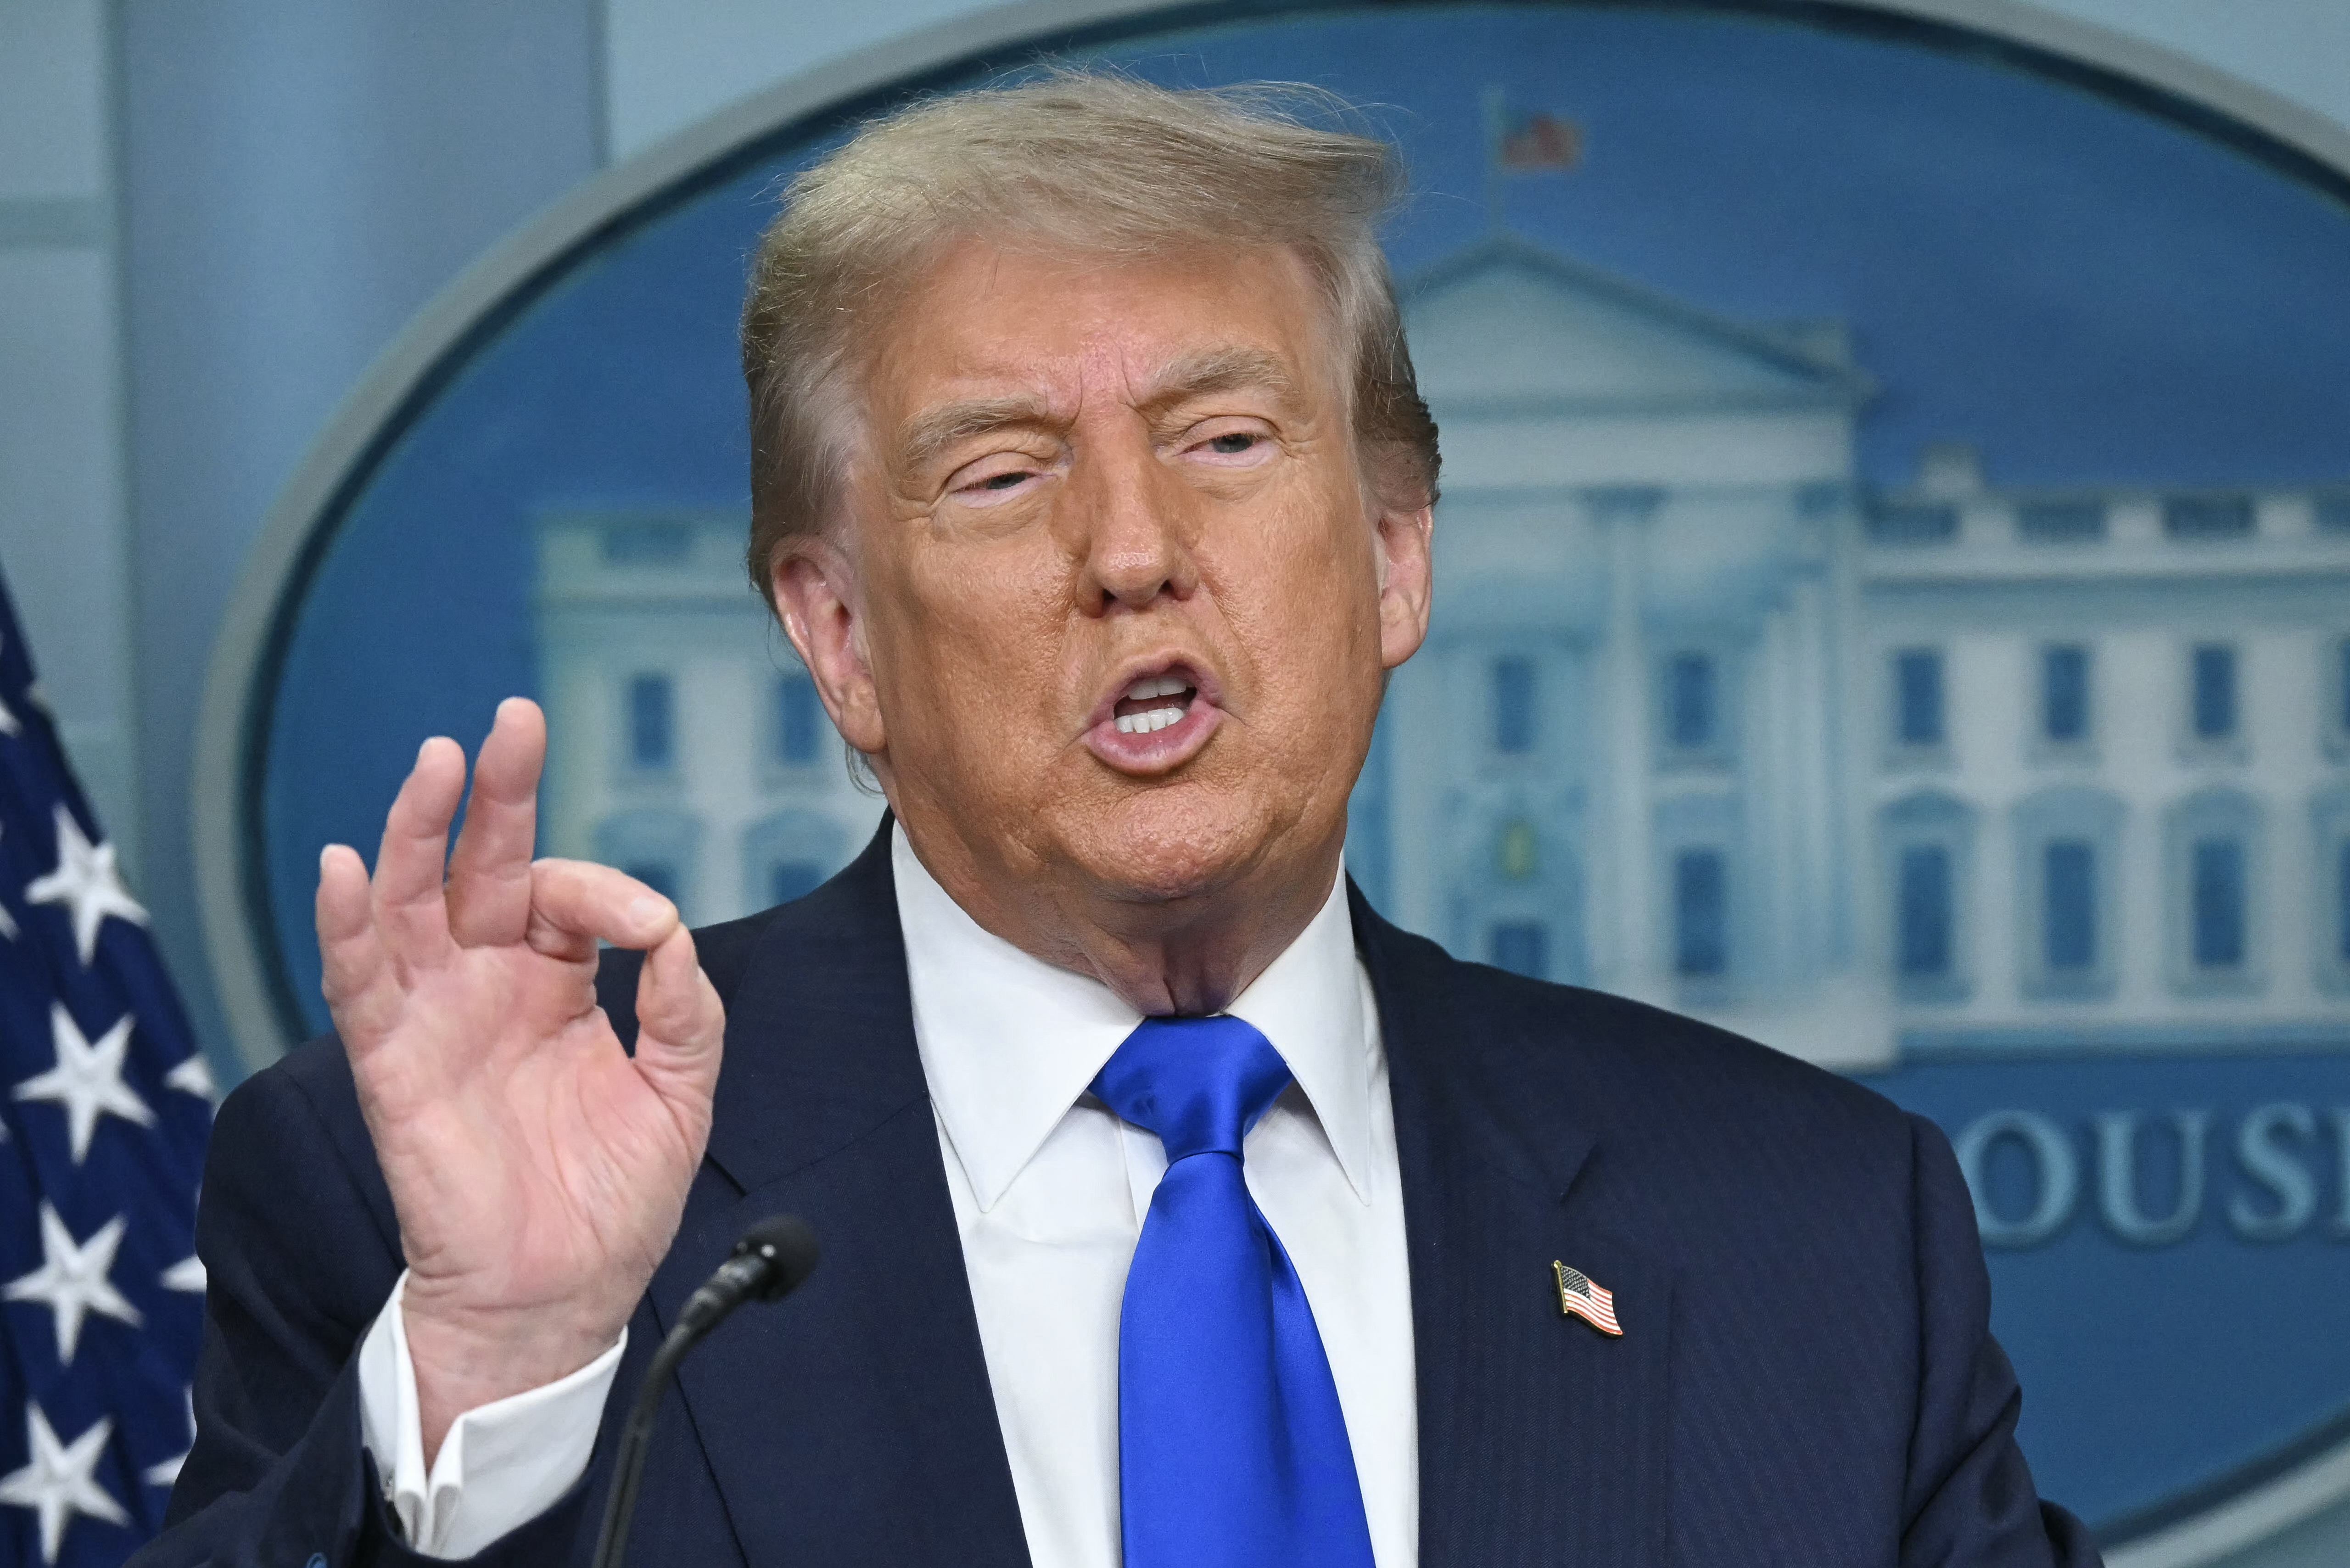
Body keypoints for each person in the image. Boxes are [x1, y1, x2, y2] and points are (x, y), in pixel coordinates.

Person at [141, 73, 2098, 1568]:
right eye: (1000, 475)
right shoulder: (454, 1221)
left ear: (1396, 557)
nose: (1134, 549)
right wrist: (509, 1365)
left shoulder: (1814, 1236)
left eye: (1223, 441)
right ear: (839, 638)